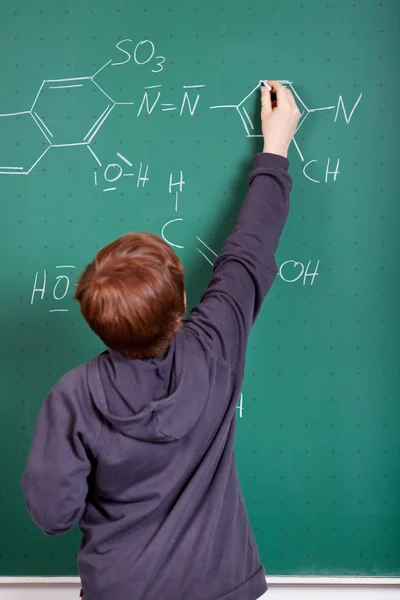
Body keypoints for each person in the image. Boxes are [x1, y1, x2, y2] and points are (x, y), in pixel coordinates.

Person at [21, 81, 300, 600]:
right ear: (183, 302)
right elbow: (249, 250)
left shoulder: (74, 396)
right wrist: (276, 147)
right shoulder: (215, 344)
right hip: (224, 585)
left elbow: (52, 514)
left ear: (96, 321)